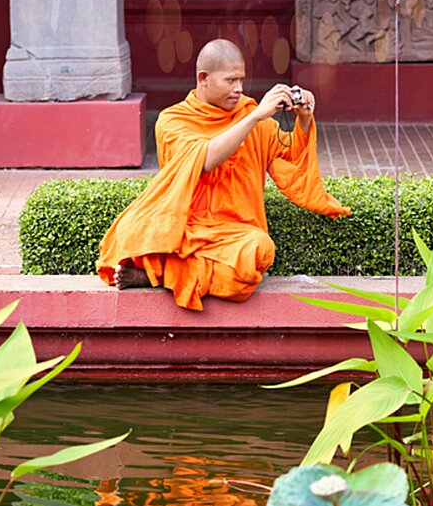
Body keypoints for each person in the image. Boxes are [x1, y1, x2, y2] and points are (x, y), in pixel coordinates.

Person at [96, 38, 350, 311]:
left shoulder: (250, 114)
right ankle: (170, 271)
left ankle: (160, 274)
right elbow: (204, 158)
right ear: (203, 78)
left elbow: (289, 158)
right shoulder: (173, 120)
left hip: (234, 232)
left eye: (241, 79)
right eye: (230, 80)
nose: (239, 89)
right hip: (186, 226)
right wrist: (254, 118)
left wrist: (304, 118)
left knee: (258, 251)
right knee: (129, 233)